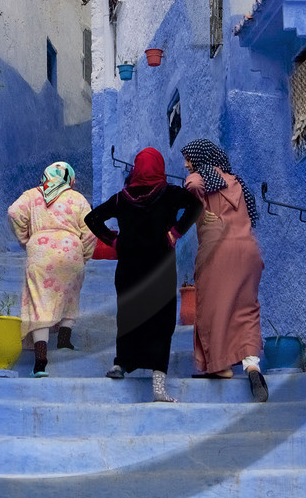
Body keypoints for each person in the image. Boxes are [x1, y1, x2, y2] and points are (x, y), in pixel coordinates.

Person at [85, 148, 202, 403]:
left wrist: (113, 240)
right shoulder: (170, 194)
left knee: (129, 314)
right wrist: (176, 231)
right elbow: (196, 205)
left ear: (137, 168)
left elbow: (92, 218)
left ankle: (121, 364)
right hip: (160, 268)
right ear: (159, 167)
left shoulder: (122, 198)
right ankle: (158, 385)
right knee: (162, 321)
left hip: (129, 267)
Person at [180, 138, 268, 403]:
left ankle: (220, 367)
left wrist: (201, 209)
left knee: (213, 309)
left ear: (201, 160)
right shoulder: (237, 182)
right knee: (246, 309)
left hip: (218, 253)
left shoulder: (201, 179)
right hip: (249, 252)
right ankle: (252, 365)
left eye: (189, 159)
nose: (185, 164)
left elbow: (193, 184)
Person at [8, 161, 97, 376]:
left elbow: (13, 213)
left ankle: (40, 360)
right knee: (70, 294)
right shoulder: (77, 198)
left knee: (39, 302)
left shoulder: (32, 195)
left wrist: (26, 239)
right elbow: (91, 230)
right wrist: (83, 254)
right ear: (70, 179)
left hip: (40, 251)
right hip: (71, 251)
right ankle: (65, 340)